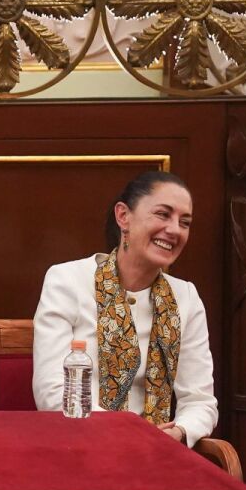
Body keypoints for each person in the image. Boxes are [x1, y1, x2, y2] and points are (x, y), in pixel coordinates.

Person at [32, 171, 216, 445]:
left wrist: (179, 432)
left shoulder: (185, 296)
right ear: (123, 217)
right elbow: (52, 393)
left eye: (184, 222)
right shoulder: (67, 281)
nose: (175, 229)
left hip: (159, 454)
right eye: (163, 214)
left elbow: (200, 401)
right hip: (78, 447)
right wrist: (128, 433)